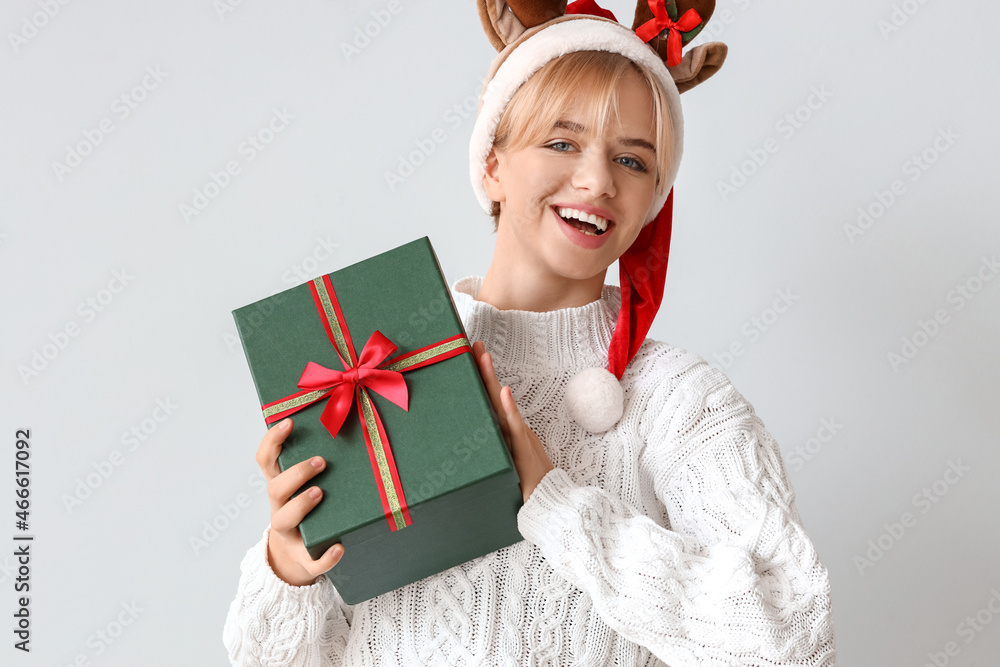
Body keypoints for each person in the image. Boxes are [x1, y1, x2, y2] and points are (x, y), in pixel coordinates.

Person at [223, 1, 837, 664]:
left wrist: (560, 505)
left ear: (654, 199)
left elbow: (793, 637)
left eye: (632, 161)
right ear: (492, 164)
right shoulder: (375, 369)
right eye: (562, 142)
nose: (598, 180)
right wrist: (287, 568)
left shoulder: (680, 401)